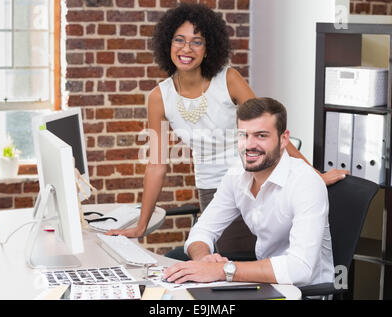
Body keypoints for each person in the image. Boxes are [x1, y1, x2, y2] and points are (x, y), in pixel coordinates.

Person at [106, 3, 347, 256]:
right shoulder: (159, 98)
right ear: (168, 43)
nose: (186, 49)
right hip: (213, 188)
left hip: (255, 180)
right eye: (179, 40)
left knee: (245, 258)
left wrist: (313, 175)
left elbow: (270, 132)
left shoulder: (228, 79)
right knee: (217, 255)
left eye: (196, 42)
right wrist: (141, 226)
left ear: (208, 49)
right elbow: (156, 165)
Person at [162, 97, 335, 287]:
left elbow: (299, 268)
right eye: (243, 135)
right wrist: (204, 260)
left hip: (302, 291)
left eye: (261, 136)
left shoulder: (305, 182)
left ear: (283, 139)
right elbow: (203, 230)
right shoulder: (237, 174)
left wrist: (222, 270)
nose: (249, 145)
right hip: (264, 283)